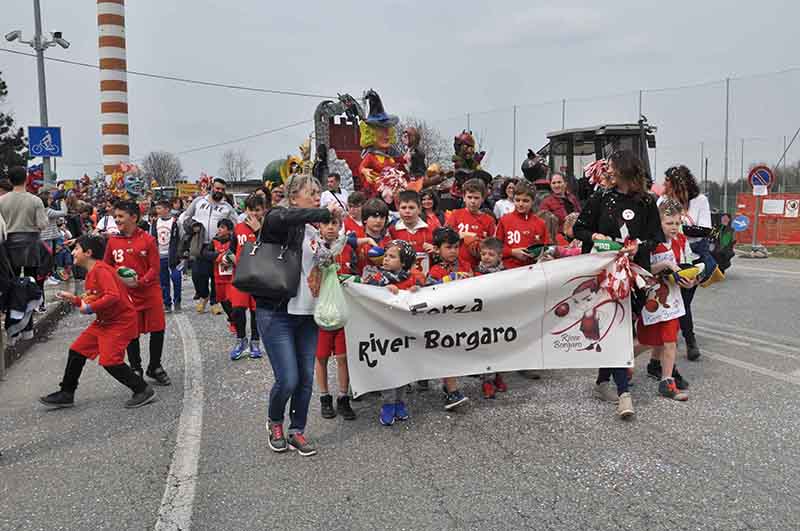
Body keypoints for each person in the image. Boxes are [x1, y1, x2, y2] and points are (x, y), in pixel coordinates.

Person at [573, 150, 665, 419]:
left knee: (622, 330)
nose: (607, 171)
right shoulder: (600, 197)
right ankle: (624, 394)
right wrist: (595, 235)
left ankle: (603, 382)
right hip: (605, 274)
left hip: (634, 275)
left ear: (626, 169)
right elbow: (578, 228)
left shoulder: (647, 201)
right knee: (615, 331)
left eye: (611, 166)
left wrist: (639, 246)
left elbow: (657, 237)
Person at [255, 174, 337, 456]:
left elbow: (321, 263)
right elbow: (283, 218)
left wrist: (331, 244)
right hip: (276, 311)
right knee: (287, 378)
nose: (317, 196)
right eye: (311, 192)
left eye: (319, 192)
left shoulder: (312, 231)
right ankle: (275, 421)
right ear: (293, 197)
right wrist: (322, 212)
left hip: (307, 314)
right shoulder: (277, 219)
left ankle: (296, 430)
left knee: (305, 378)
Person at [39, 235, 155, 409]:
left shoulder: (101, 270)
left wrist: (88, 308)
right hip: (105, 321)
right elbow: (94, 299)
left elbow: (112, 296)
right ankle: (66, 393)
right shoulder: (93, 272)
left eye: (76, 248)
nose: (73, 252)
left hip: (120, 322)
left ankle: (143, 389)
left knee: (110, 361)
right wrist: (76, 300)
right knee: (77, 351)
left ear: (88, 252)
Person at [105, 200, 171, 386]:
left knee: (157, 329)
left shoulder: (148, 240)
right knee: (131, 332)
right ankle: (136, 368)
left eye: (121, 216)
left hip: (149, 292)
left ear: (134, 217)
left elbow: (154, 267)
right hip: (126, 296)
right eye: (115, 216)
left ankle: (155, 366)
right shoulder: (113, 242)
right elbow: (107, 266)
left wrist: (141, 282)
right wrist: (115, 280)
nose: (117, 220)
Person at [361, 240, 424, 425]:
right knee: (388, 367)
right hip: (383, 331)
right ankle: (388, 403)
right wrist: (382, 290)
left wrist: (417, 291)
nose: (386, 259)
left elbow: (425, 293)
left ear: (404, 262)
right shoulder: (376, 277)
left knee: (403, 366)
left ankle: (400, 400)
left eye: (392, 256)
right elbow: (364, 291)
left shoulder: (412, 278)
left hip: (404, 331)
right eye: (386, 255)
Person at [661, 165, 717, 361]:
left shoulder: (700, 201)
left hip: (695, 253)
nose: (663, 186)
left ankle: (688, 339)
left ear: (678, 184)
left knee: (684, 299)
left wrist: (679, 227)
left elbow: (705, 230)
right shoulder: (663, 201)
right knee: (674, 298)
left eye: (667, 183)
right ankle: (675, 339)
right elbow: (661, 226)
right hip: (670, 252)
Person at [641, 198, 693, 400]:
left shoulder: (680, 241)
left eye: (677, 223)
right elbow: (644, 269)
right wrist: (666, 265)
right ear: (659, 222)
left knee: (671, 341)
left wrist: (689, 280)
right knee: (646, 341)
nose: (674, 227)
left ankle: (667, 382)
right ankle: (619, 364)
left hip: (673, 298)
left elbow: (683, 266)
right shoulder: (650, 242)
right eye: (669, 223)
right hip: (651, 298)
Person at [313, 211, 356, 421]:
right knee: (320, 357)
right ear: (319, 227)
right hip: (321, 312)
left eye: (334, 223)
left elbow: (356, 272)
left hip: (343, 312)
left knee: (342, 357)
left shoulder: (347, 248)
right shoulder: (313, 248)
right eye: (326, 223)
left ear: (340, 225)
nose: (330, 227)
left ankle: (343, 397)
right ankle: (324, 397)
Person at [0, 166, 48, 335]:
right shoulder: (35, 201)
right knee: (31, 281)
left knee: (11, 281)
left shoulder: (2, 200)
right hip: (31, 243)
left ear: (10, 181)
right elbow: (43, 224)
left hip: (8, 244)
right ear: (26, 179)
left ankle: (11, 316)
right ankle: (29, 319)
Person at [179, 177, 238, 314]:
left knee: (217, 277)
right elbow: (186, 217)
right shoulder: (199, 201)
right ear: (212, 187)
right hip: (200, 245)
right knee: (198, 275)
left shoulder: (227, 207)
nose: (219, 191)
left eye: (222, 189)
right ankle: (203, 295)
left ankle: (214, 301)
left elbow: (236, 225)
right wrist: (191, 227)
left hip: (218, 246)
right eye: (217, 188)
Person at [227, 193, 265, 360]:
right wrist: (232, 259)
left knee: (256, 311)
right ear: (245, 210)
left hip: (259, 278)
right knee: (237, 310)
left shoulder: (268, 229)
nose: (254, 214)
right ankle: (241, 340)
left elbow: (270, 250)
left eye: (258, 210)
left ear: (263, 210)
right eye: (251, 210)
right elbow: (231, 250)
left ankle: (255, 342)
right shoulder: (238, 228)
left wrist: (259, 231)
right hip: (240, 277)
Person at [495, 181, 549, 270]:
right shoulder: (504, 220)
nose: (520, 204)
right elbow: (496, 248)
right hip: (508, 269)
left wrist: (540, 255)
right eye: (517, 200)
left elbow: (546, 249)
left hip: (533, 270)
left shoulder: (540, 223)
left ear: (533, 201)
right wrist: (512, 252)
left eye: (525, 201)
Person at [446, 178, 496, 271]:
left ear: (483, 199)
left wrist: (479, 242)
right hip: (456, 266)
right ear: (464, 197)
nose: (473, 201)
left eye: (476, 198)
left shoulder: (489, 220)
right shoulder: (455, 215)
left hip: (479, 267)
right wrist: (461, 235)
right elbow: (445, 238)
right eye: (469, 197)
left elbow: (493, 246)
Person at [203, 218, 236, 334]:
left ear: (229, 230)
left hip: (232, 277)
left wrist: (229, 257)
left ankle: (234, 321)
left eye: (222, 227)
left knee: (231, 300)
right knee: (222, 300)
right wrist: (219, 256)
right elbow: (206, 253)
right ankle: (231, 318)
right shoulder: (214, 241)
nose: (219, 229)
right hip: (218, 276)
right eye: (219, 227)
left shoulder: (233, 240)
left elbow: (237, 253)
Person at [152, 200, 182, 313]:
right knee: (163, 282)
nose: (157, 211)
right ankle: (166, 303)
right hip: (160, 256)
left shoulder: (175, 222)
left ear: (167, 209)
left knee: (176, 279)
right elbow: (153, 238)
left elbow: (181, 236)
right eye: (157, 208)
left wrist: (180, 252)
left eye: (159, 208)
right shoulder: (155, 222)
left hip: (173, 256)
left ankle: (177, 301)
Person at [389, 190, 435, 256]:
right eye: (403, 207)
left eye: (411, 207)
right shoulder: (392, 231)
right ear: (398, 209)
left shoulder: (430, 229)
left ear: (419, 209)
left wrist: (435, 250)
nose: (407, 211)